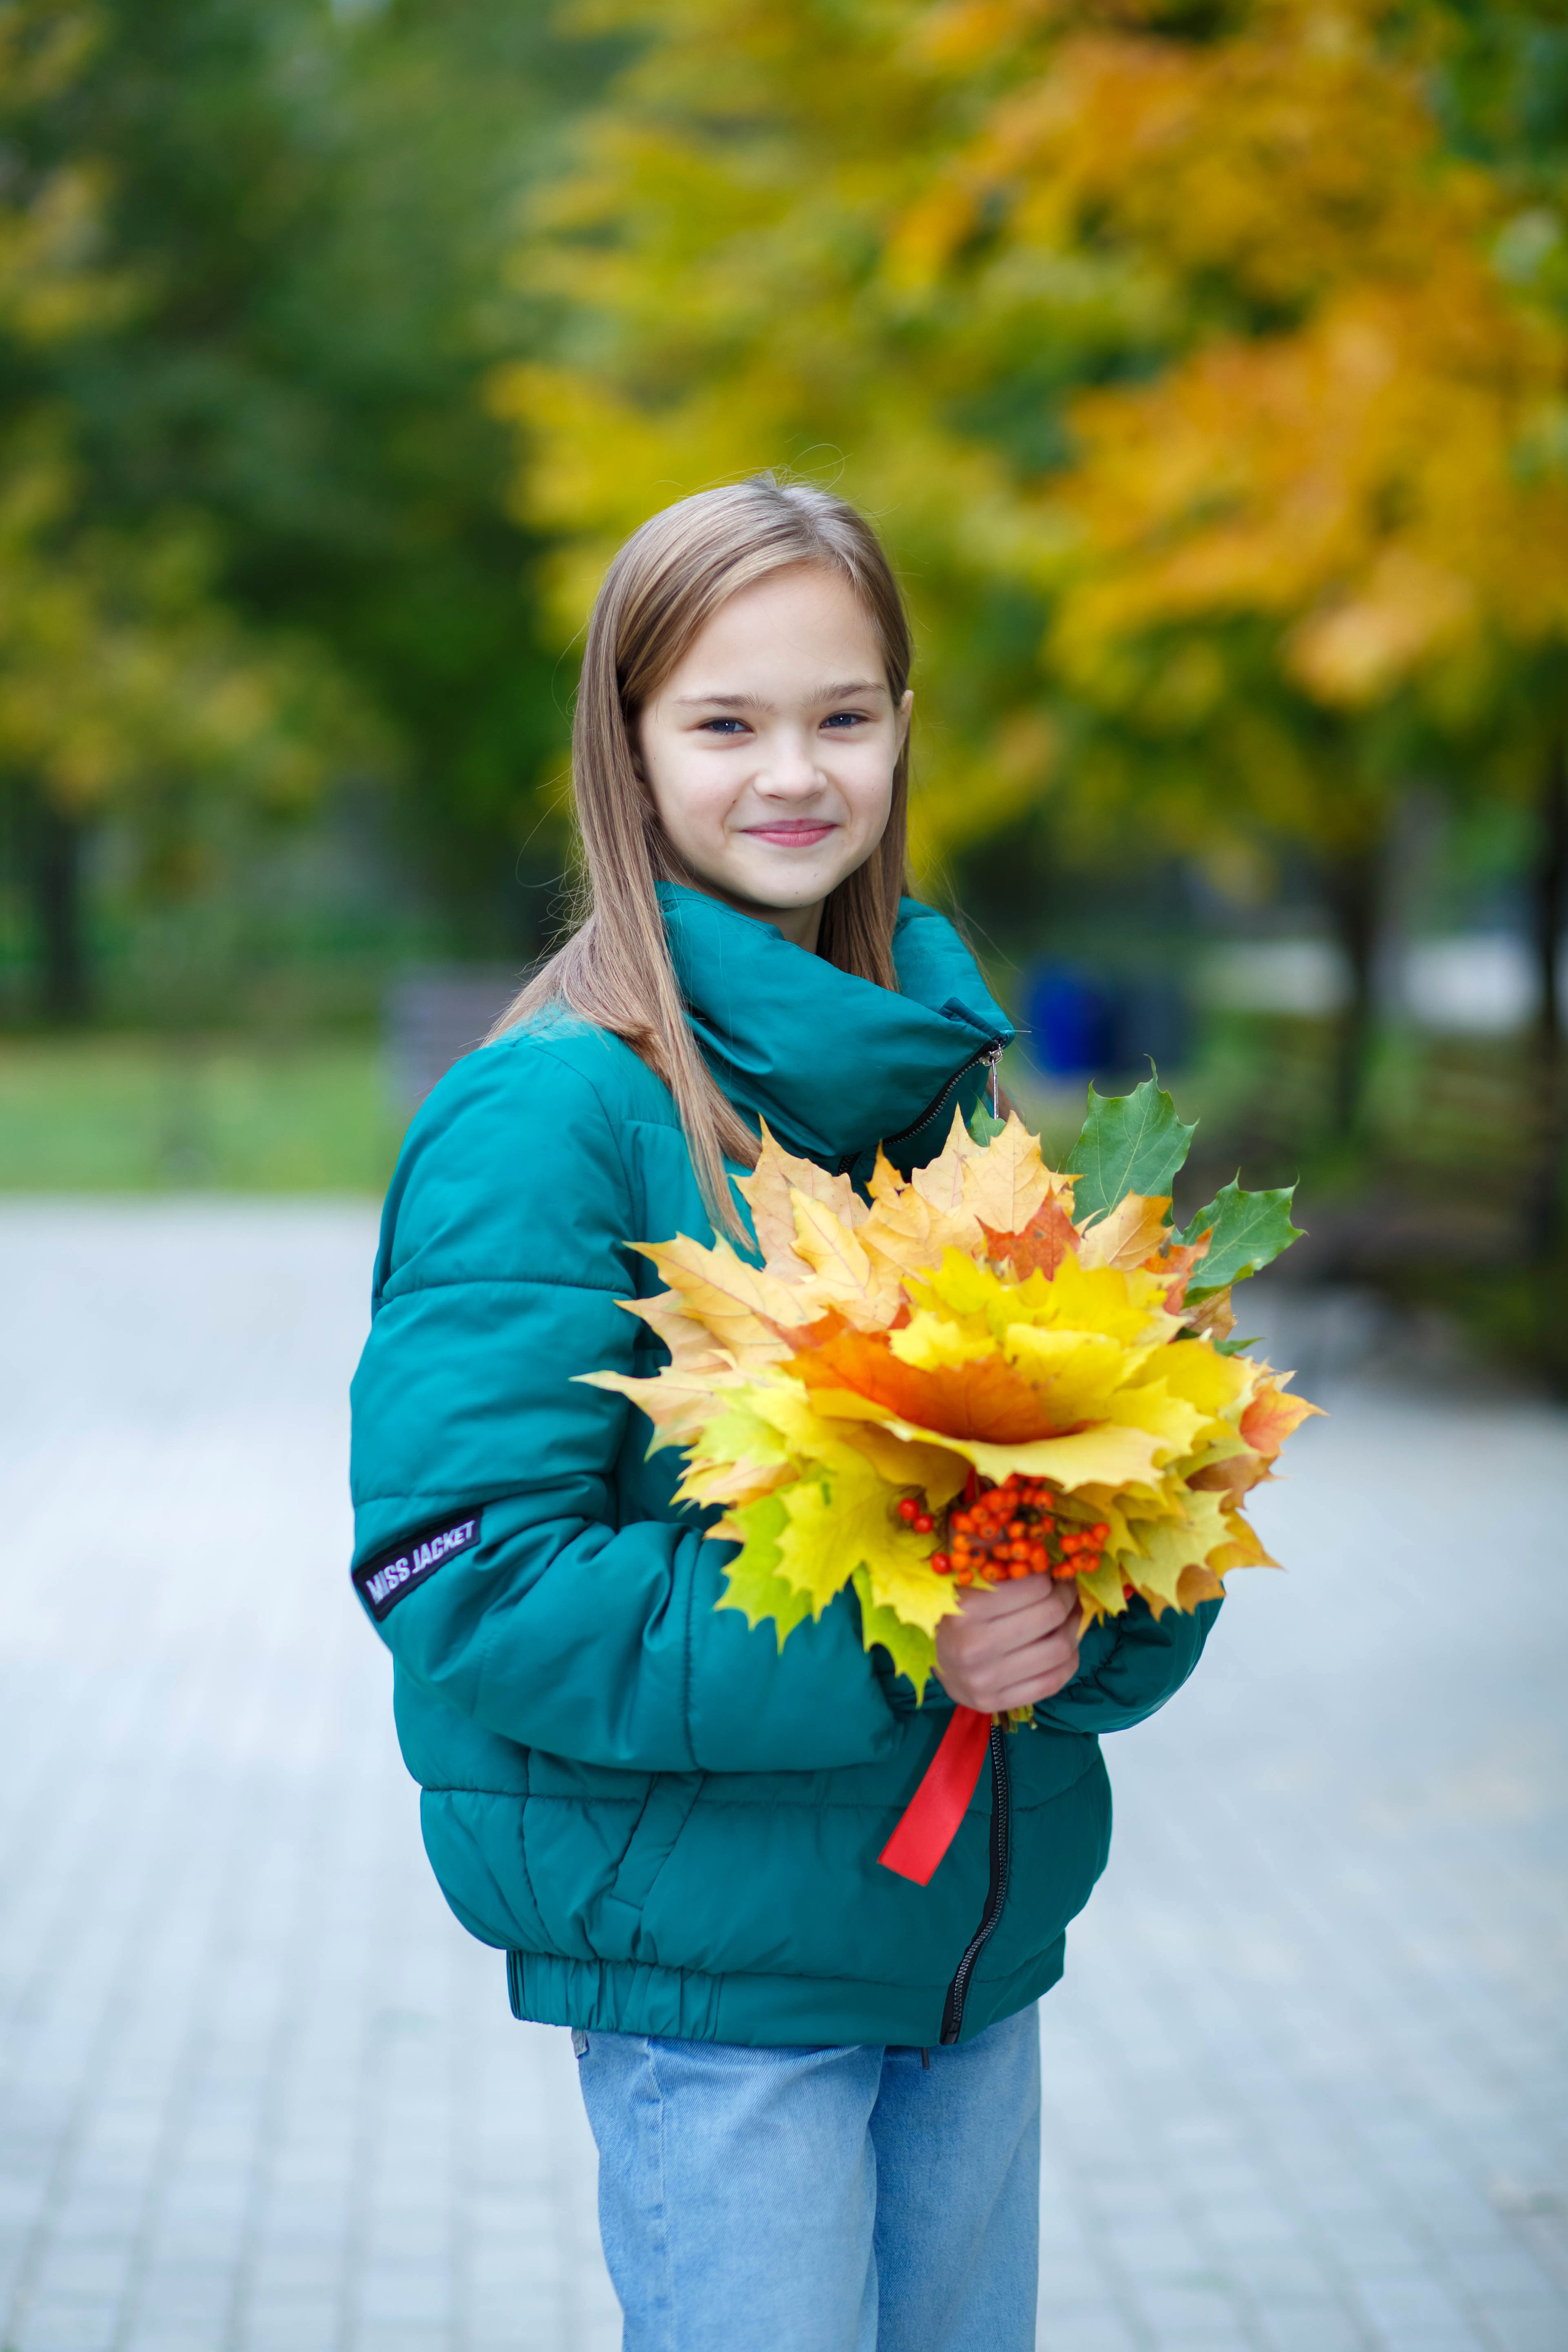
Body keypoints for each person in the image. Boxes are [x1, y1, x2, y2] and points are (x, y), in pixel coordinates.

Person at [349, 477, 1220, 2352]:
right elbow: (462, 1569)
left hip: (966, 1953)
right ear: (629, 748)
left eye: (841, 714)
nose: (792, 772)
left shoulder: (935, 1095)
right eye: (725, 721)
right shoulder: (551, 1115)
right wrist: (909, 1641)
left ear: (904, 728)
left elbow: (1113, 1479)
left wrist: (1082, 1619)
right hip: (721, 1983)